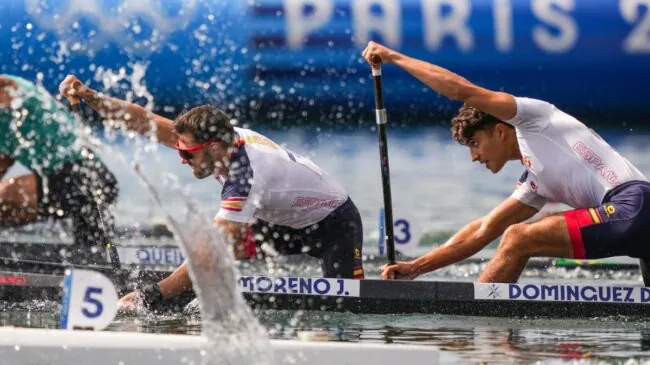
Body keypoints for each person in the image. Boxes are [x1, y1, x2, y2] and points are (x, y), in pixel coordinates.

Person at [59, 75, 365, 310]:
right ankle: (187, 295)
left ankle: (165, 294)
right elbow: (145, 122)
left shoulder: (244, 177)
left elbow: (212, 252)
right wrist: (92, 98)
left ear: (214, 148)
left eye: (188, 154)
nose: (182, 159)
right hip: (282, 220)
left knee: (345, 312)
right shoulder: (218, 141)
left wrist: (153, 293)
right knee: (212, 250)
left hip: (335, 224)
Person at [360, 41, 650, 284]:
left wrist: (395, 57)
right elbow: (483, 230)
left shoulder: (533, 119)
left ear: (500, 131)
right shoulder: (535, 181)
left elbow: (462, 91)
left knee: (517, 238)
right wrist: (416, 267)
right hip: (639, 227)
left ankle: (479, 329)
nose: (474, 157)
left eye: (475, 144)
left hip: (633, 206)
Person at [0, 75, 119, 265]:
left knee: (4, 196)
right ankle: (90, 261)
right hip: (67, 181)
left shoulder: (7, 88)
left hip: (87, 177)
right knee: (90, 257)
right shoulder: (7, 125)